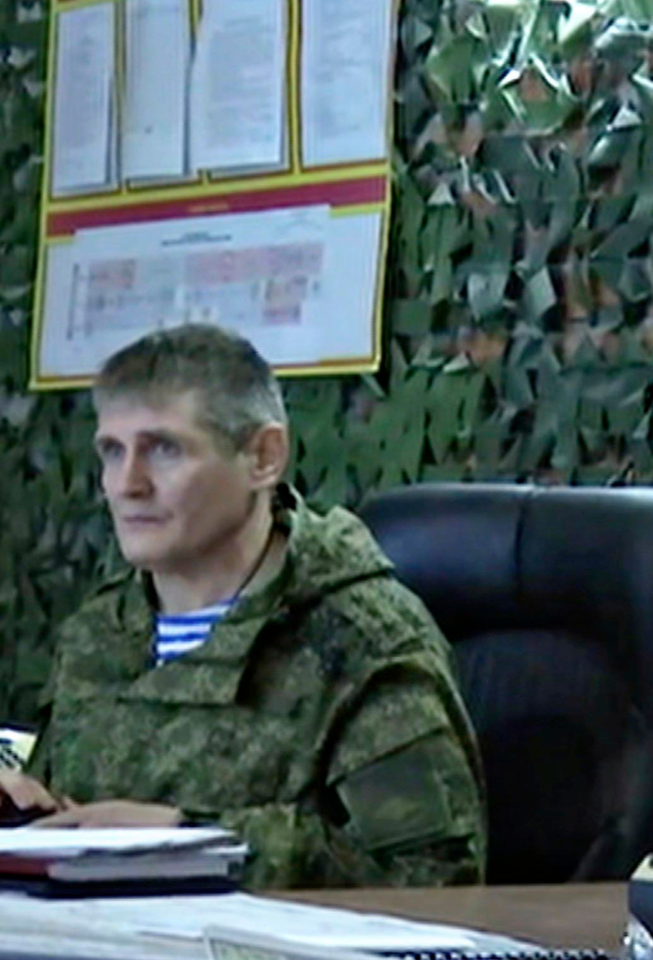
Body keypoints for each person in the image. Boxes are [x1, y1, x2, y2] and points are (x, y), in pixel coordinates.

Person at [0, 324, 486, 888]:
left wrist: (188, 838)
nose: (127, 484)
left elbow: (432, 874)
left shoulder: (361, 639)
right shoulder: (99, 630)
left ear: (263, 457)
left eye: (164, 449)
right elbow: (66, 828)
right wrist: (24, 810)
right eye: (113, 451)